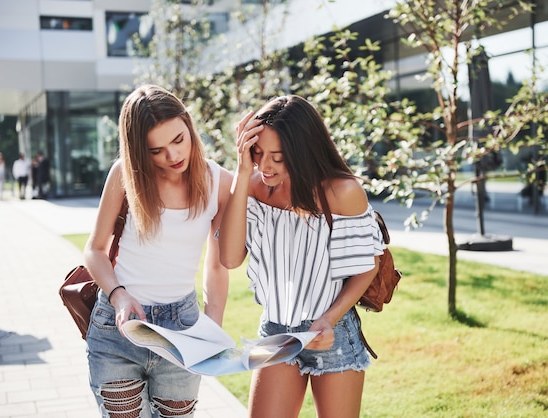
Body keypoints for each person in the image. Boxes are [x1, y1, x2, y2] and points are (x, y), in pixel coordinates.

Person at [218, 95, 384, 418]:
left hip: (331, 335)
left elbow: (367, 267)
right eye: (258, 153)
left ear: (302, 152)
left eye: (277, 158)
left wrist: (330, 318)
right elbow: (229, 258)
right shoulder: (252, 185)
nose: (265, 166)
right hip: (276, 331)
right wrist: (241, 171)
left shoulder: (342, 193)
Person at [83, 84, 232, 417]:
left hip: (183, 329)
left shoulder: (218, 182)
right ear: (139, 151)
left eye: (179, 140)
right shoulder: (125, 174)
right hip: (118, 328)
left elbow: (218, 265)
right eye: (156, 150)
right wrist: (119, 295)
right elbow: (94, 249)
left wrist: (212, 331)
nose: (173, 156)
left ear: (188, 125)